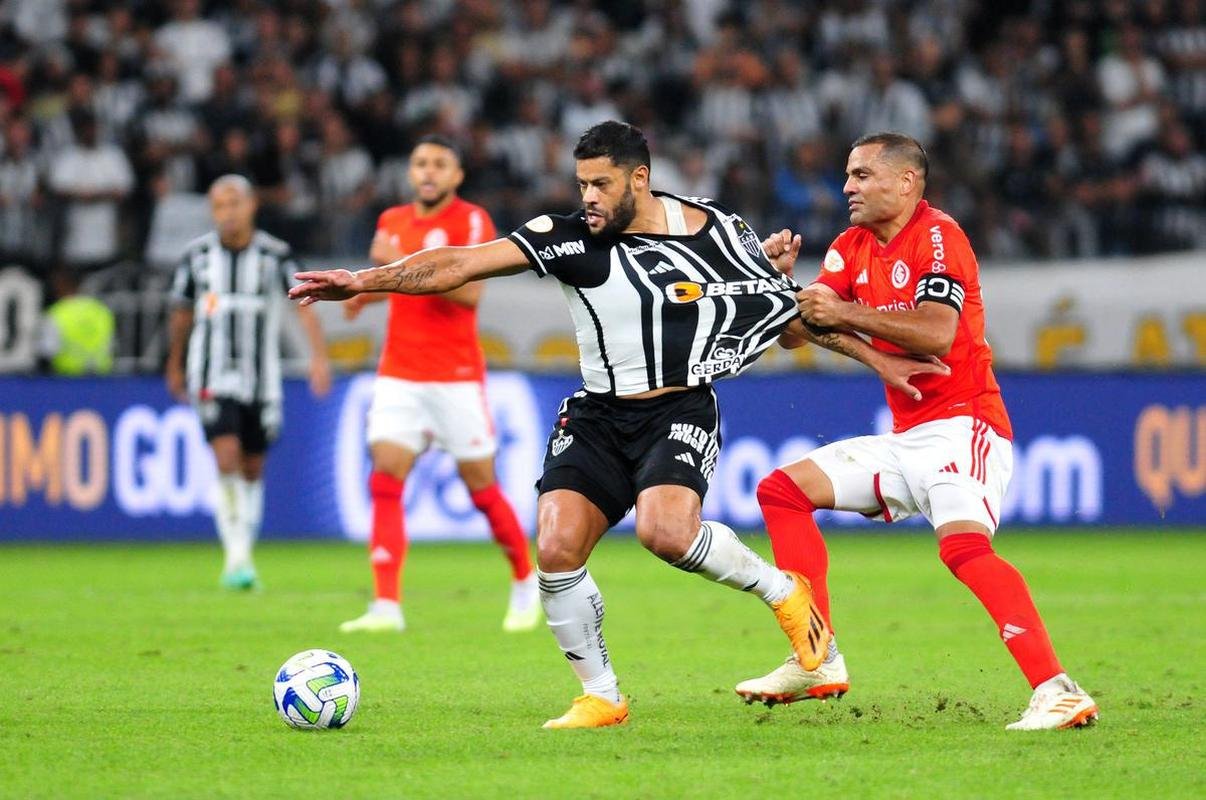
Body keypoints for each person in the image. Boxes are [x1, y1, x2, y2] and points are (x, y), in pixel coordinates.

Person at [290, 121, 943, 729]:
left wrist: (877, 361)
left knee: (665, 533)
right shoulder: (568, 237)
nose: (589, 198)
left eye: (601, 183)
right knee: (556, 548)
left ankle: (784, 593)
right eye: (581, 185)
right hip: (599, 413)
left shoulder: (717, 231)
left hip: (679, 406)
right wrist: (363, 281)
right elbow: (459, 264)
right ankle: (601, 694)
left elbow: (791, 323)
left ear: (639, 178)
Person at [737, 132, 1099, 731]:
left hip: (966, 425)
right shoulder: (850, 247)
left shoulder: (940, 236)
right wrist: (775, 285)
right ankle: (817, 656)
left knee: (962, 550)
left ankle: (1057, 689)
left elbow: (936, 333)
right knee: (782, 491)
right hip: (909, 438)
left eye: (860, 175)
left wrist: (844, 314)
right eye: (847, 176)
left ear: (905, 182)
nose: (847, 187)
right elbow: (799, 331)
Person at [338, 135, 539, 635]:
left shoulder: (471, 222)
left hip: (455, 377)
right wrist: (368, 294)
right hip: (399, 373)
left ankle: (524, 580)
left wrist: (399, 257)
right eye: (420, 163)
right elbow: (399, 284)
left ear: (456, 176)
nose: (428, 171)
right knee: (385, 478)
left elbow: (467, 294)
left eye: (439, 164)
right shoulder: (392, 220)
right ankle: (386, 605)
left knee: (481, 488)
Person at [167, 174, 331, 589]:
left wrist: (318, 359)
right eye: (220, 205)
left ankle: (243, 553)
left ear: (252, 205)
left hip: (263, 379)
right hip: (211, 373)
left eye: (234, 203)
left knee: (254, 467)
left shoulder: (275, 255)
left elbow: (306, 306)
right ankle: (236, 559)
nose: (227, 212)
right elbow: (182, 311)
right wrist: (174, 362)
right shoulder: (197, 256)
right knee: (226, 457)